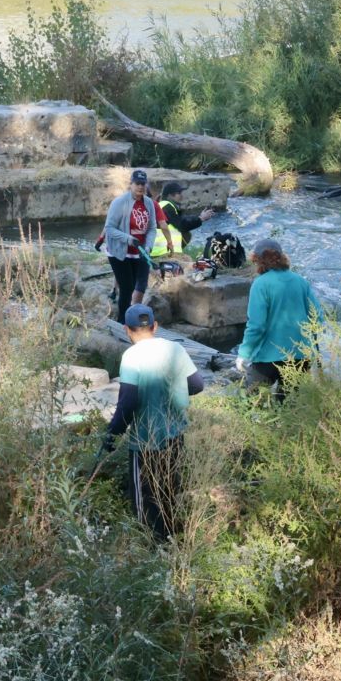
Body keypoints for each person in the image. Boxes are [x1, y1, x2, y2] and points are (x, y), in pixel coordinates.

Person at [100, 304, 206, 538]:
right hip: (175, 433)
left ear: (127, 330)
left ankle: (150, 545)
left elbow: (127, 403)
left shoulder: (132, 356)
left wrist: (112, 434)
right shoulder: (175, 349)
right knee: (170, 488)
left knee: (144, 498)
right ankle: (173, 540)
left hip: (145, 440)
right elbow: (197, 385)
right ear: (155, 326)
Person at [236, 238, 322, 400]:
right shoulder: (301, 281)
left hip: (268, 358)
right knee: (287, 407)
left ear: (256, 260)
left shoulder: (260, 284)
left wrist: (244, 353)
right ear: (283, 258)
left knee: (249, 402)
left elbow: (257, 326)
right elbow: (317, 319)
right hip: (300, 356)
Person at [102, 169, 157, 319]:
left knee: (135, 286)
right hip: (119, 251)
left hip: (139, 251)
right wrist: (128, 238)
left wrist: (148, 246)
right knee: (126, 288)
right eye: (137, 184)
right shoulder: (119, 202)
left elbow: (152, 228)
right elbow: (109, 228)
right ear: (131, 184)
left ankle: (129, 319)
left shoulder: (149, 204)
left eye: (143, 184)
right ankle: (123, 322)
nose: (140, 187)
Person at [148, 180, 220, 258]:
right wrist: (201, 218)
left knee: (187, 235)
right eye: (179, 193)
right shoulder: (167, 206)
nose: (181, 196)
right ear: (170, 195)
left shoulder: (162, 205)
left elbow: (181, 220)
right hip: (163, 252)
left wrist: (199, 217)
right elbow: (181, 225)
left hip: (161, 251)